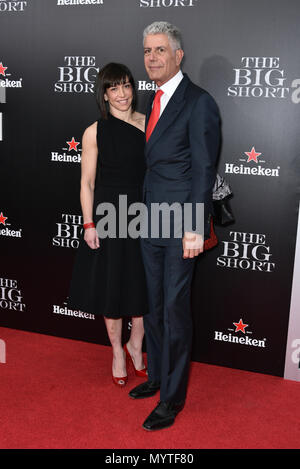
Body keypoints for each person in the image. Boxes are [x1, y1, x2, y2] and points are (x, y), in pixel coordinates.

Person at [128, 22, 221, 431]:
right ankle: (157, 377)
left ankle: (173, 398)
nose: (152, 58)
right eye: (147, 51)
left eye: (160, 50)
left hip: (181, 223)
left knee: (175, 310)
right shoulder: (154, 98)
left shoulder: (198, 102)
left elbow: (203, 169)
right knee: (154, 306)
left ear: (178, 56)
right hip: (150, 220)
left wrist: (195, 227)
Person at [67, 63, 148, 387]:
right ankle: (117, 351)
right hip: (109, 215)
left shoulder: (149, 123)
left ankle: (136, 345)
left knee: (143, 285)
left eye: (126, 85)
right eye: (114, 88)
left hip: (144, 213)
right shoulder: (94, 131)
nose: (122, 93)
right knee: (113, 286)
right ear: (104, 94)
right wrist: (89, 224)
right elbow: (86, 183)